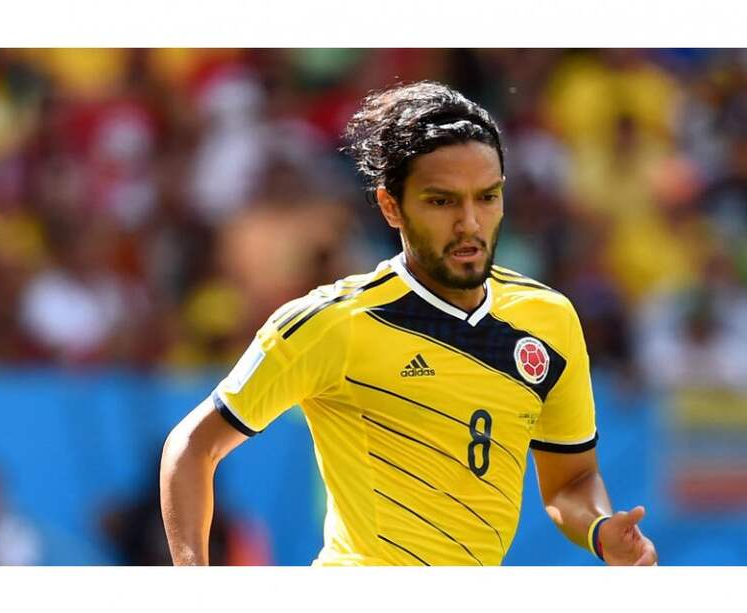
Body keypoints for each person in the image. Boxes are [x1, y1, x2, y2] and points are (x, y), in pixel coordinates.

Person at [160, 81, 658, 566]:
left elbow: (571, 481)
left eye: (487, 197)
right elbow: (192, 447)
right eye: (442, 201)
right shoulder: (332, 322)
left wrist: (599, 529)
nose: (470, 223)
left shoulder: (549, 319)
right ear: (391, 206)